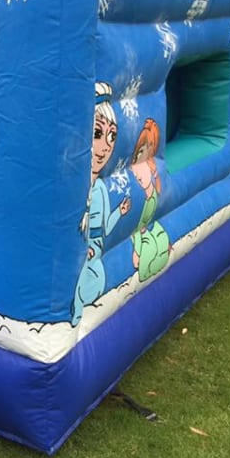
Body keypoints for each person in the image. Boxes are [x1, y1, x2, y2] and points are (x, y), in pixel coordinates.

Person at [71, 83, 131, 326]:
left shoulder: (100, 192)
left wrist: (120, 212)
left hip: (93, 258)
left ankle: (74, 316)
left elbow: (104, 228)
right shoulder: (73, 189)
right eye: (97, 133)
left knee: (88, 283)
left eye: (111, 136)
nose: (106, 146)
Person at [130, 118, 170, 281]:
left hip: (144, 229)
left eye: (145, 150)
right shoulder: (141, 173)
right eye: (140, 151)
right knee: (149, 249)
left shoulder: (150, 172)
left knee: (155, 245)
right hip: (140, 231)